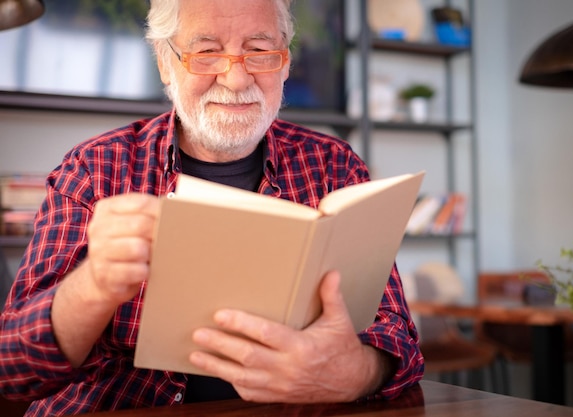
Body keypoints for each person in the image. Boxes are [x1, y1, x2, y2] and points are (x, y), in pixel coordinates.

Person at [0, 0, 424, 415]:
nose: (237, 79)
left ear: (285, 63)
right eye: (206, 53)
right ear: (166, 63)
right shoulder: (94, 169)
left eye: (259, 52)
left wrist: (352, 372)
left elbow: (398, 339)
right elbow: (14, 368)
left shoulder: (335, 165)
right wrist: (93, 285)